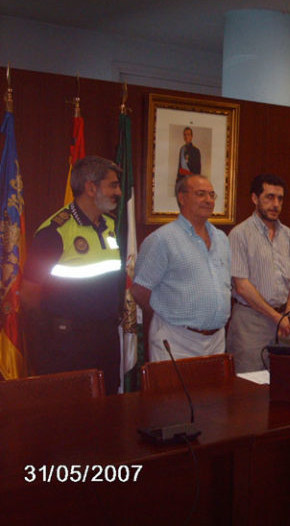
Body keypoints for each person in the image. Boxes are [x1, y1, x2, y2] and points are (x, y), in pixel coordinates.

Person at [22, 156, 123, 394]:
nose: (118, 192)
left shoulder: (111, 226)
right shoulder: (54, 232)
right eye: (113, 185)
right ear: (91, 187)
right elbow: (29, 294)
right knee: (70, 413)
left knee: (107, 407)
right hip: (67, 342)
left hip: (106, 337)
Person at [132, 174, 231, 361]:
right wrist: (168, 314)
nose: (209, 200)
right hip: (176, 340)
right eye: (201, 194)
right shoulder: (162, 240)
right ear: (182, 197)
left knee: (214, 392)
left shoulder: (222, 239)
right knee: (173, 392)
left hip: (217, 341)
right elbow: (139, 290)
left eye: (212, 195)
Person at [227, 173, 290, 372]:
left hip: (284, 322)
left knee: (285, 384)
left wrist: (286, 313)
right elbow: (242, 286)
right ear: (255, 199)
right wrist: (275, 317)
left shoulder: (286, 234)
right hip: (251, 323)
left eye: (280, 199)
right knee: (250, 388)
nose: (275, 204)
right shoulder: (239, 234)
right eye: (269, 197)